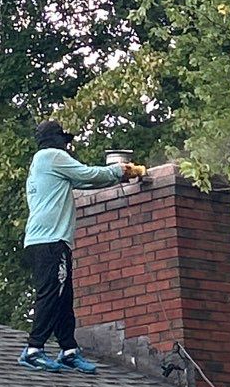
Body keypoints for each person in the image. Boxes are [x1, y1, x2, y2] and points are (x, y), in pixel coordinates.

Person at [19, 121, 144, 372]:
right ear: (56, 140)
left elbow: (84, 183)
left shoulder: (41, 163)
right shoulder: (53, 156)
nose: (68, 145)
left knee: (64, 297)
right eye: (65, 140)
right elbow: (89, 175)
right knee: (52, 294)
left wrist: (115, 177)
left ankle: (68, 349)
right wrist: (121, 170)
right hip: (51, 241)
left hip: (45, 240)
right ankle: (34, 349)